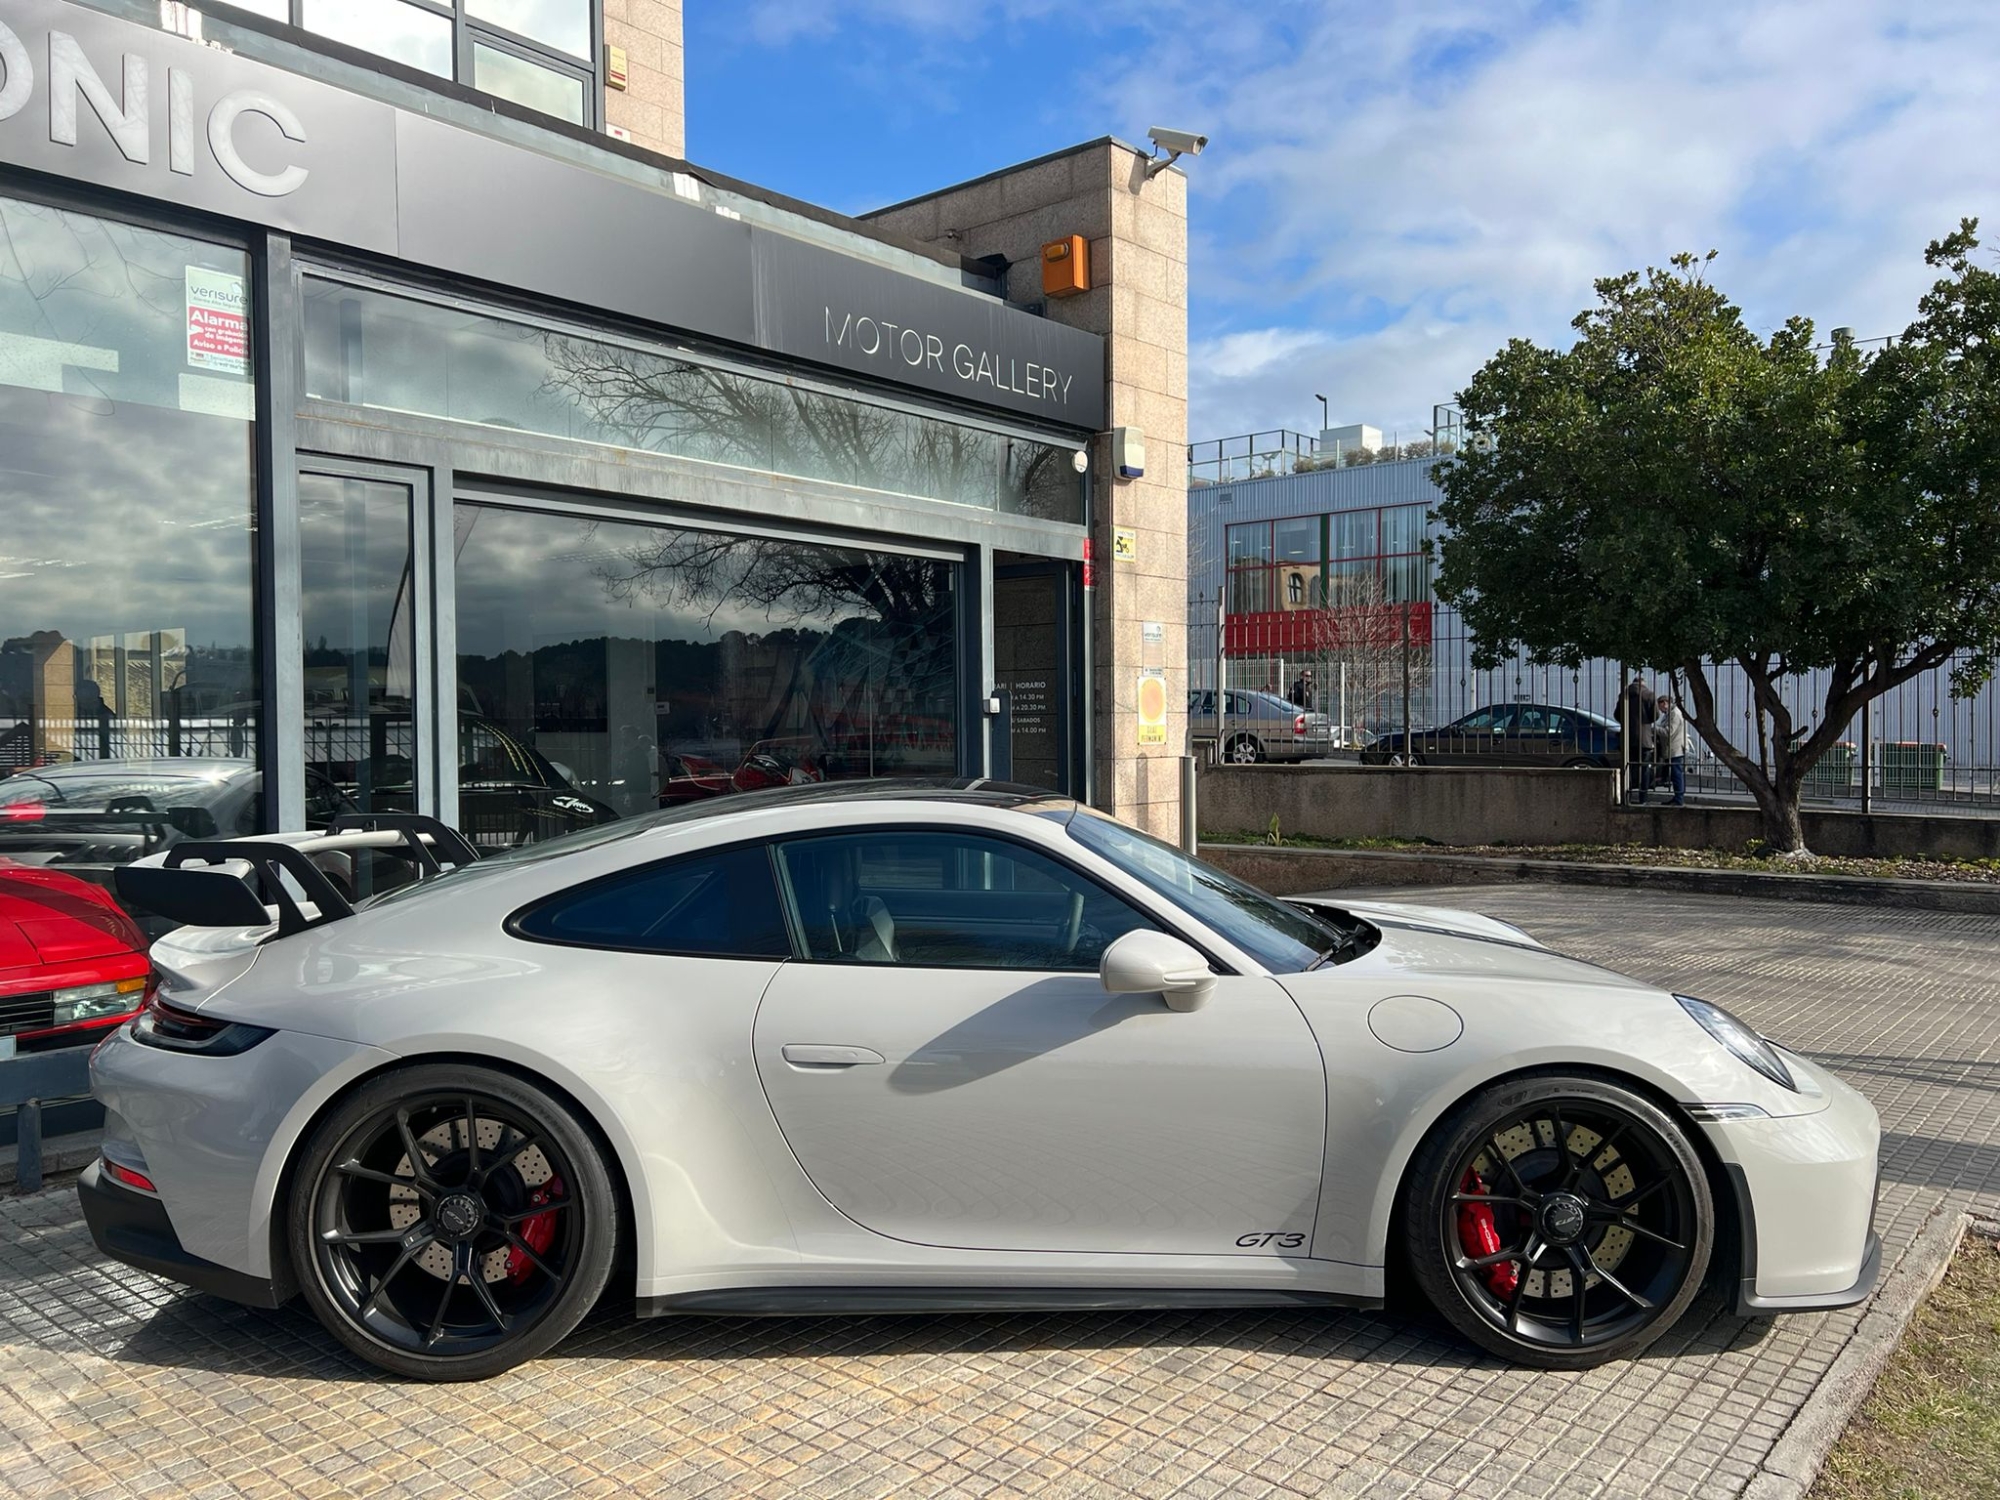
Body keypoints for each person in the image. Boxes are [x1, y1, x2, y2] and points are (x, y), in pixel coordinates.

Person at [1622, 677, 1658, 801]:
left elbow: (1617, 714)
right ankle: (1643, 797)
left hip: (1628, 738)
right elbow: (1655, 715)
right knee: (1645, 768)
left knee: (1628, 767)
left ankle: (1627, 795)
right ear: (1643, 683)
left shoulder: (1625, 695)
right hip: (1645, 738)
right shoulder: (1649, 695)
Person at [1653, 692, 1690, 806]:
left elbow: (1669, 732)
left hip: (1675, 749)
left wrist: (1654, 729)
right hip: (1672, 749)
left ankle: (1679, 799)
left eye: (1659, 707)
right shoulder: (1670, 714)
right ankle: (1677, 797)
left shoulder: (1675, 714)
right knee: (1675, 774)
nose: (1659, 710)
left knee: (1676, 774)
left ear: (1665, 703)